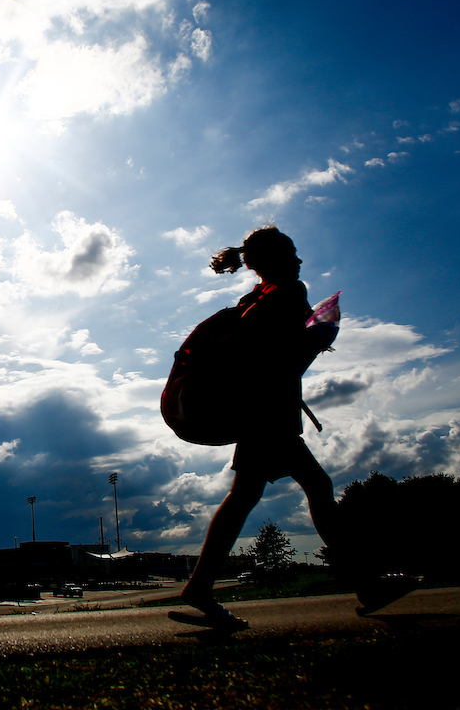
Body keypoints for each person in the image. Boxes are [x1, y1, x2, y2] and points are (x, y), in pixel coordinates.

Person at [173, 226, 406, 630]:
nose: (299, 260)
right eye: (292, 253)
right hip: (268, 414)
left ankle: (200, 587)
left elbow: (248, 348)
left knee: (251, 496)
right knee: (313, 487)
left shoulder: (254, 299)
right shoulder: (287, 293)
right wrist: (309, 342)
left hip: (257, 412)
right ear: (275, 260)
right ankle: (367, 585)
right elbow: (258, 349)